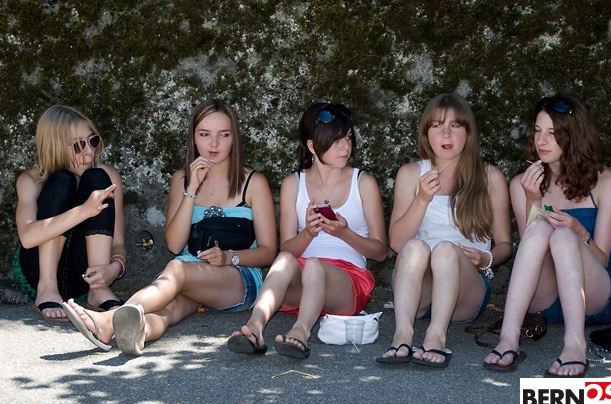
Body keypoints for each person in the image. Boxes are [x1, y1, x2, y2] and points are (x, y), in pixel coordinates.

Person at [63, 98, 277, 355]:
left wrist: (229, 257)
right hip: (190, 272)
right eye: (205, 134)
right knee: (168, 310)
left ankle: (108, 321)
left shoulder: (253, 182)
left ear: (234, 138)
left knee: (177, 268)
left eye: (224, 134)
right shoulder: (181, 179)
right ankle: (139, 332)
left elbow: (268, 252)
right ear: (193, 137)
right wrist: (191, 189)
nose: (214, 143)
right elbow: (175, 244)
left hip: (237, 277)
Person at [483, 95, 611, 377]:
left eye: (552, 133)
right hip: (544, 297)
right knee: (539, 229)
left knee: (563, 236)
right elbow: (531, 250)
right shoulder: (521, 184)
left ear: (574, 136)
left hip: (594, 292)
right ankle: (508, 338)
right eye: (537, 131)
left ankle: (575, 345)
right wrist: (533, 200)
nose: (541, 140)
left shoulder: (607, 182)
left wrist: (579, 231)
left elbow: (601, 260)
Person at [227, 102, 387, 359]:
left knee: (313, 265)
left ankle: (300, 332)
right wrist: (308, 233)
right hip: (303, 281)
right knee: (284, 260)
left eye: (348, 137)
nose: (346, 147)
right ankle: (254, 328)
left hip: (348, 283)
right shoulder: (294, 183)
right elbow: (287, 248)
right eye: (336, 141)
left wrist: (344, 233)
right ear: (312, 146)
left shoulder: (363, 183)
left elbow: (380, 252)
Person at [377, 92, 512, 368]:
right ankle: (402, 334)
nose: (446, 134)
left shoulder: (490, 177)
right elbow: (397, 244)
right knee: (415, 247)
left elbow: (504, 246)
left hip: (467, 288)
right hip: (420, 292)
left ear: (468, 132)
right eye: (437, 126)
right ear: (426, 134)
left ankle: (436, 337)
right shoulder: (411, 174)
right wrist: (422, 199)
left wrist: (485, 259)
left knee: (445, 251)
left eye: (455, 125)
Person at [14, 105, 126, 322]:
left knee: (98, 177)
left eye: (92, 141)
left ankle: (98, 290)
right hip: (35, 274)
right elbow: (27, 237)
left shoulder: (109, 176)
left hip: (82, 277)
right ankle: (48, 288)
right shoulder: (30, 180)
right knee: (61, 181)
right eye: (78, 145)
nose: (88, 151)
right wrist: (84, 211)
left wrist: (114, 269)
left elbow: (118, 244)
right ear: (54, 147)